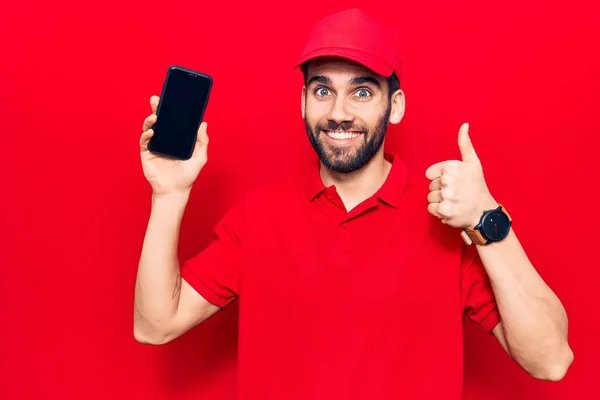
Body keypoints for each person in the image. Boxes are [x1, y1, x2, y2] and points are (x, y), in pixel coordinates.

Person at [133, 8, 573, 399]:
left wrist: (486, 218)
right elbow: (155, 325)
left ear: (394, 106)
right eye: (322, 90)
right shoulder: (257, 218)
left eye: (362, 92)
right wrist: (169, 195)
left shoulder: (448, 217)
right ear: (303, 102)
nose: (339, 112)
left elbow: (550, 361)